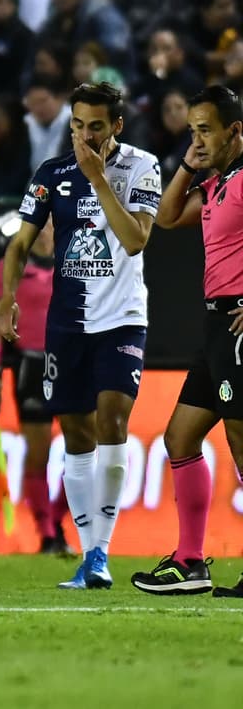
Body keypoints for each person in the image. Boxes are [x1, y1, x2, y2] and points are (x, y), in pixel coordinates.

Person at [0, 82, 161, 591]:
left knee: (112, 419)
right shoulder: (52, 175)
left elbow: (135, 239)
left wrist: (98, 179)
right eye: (76, 126)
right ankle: (87, 550)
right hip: (67, 324)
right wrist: (8, 298)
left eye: (95, 126)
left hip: (122, 318)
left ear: (116, 126)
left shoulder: (142, 167)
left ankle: (101, 552)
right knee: (76, 436)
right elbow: (20, 243)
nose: (84, 136)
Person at [132, 85, 243, 597]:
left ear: (234, 132)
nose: (198, 139)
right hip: (215, 326)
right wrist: (187, 164)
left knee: (242, 446)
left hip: (239, 324)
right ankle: (190, 561)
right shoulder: (218, 182)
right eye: (192, 130)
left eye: (206, 130)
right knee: (179, 438)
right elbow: (167, 216)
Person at [0, 218, 71, 554]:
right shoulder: (9, 269)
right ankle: (48, 532)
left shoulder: (74, 263)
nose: (47, 231)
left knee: (82, 447)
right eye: (41, 225)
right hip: (31, 366)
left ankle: (60, 518)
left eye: (52, 224)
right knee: (39, 452)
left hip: (69, 361)